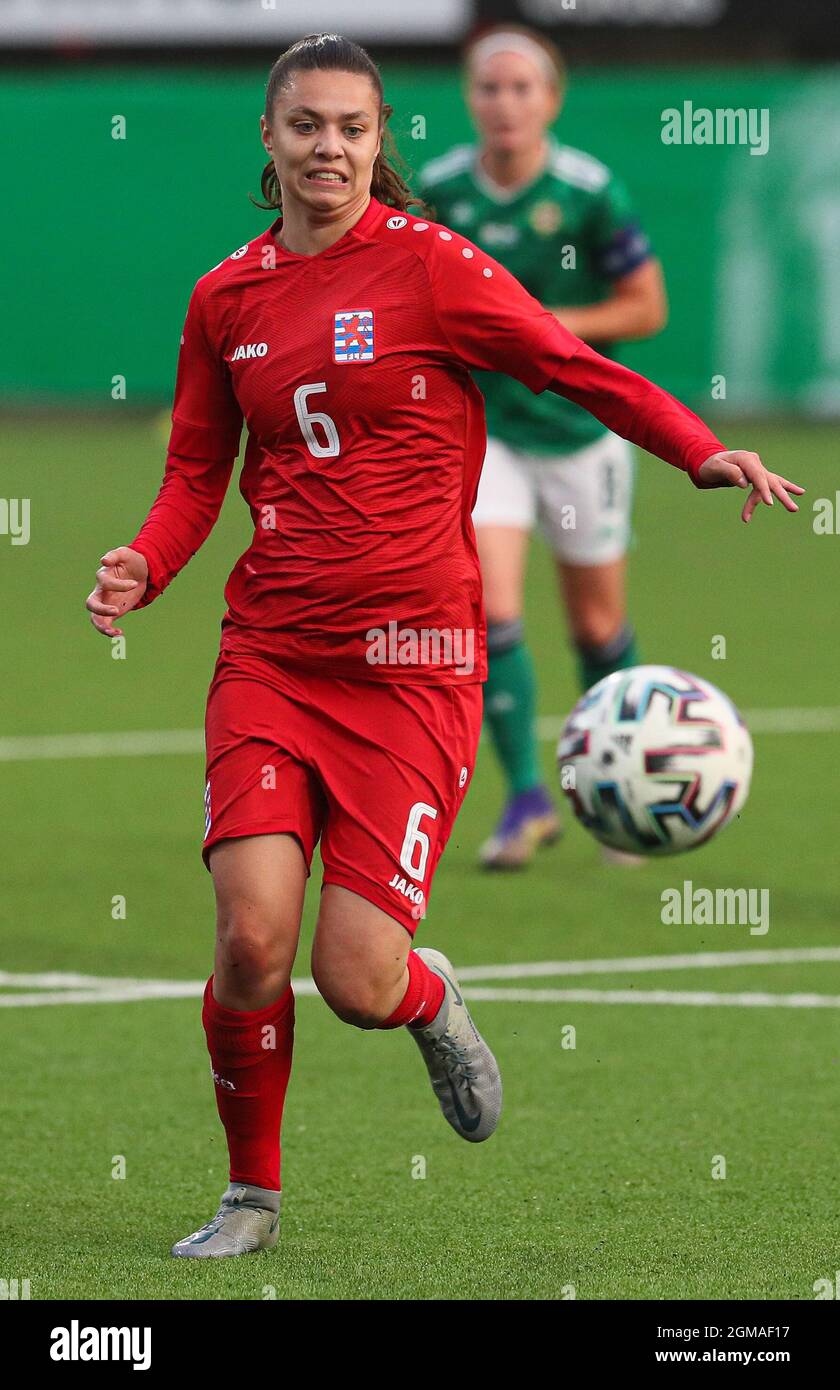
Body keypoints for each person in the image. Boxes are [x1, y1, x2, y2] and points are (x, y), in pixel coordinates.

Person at [85, 32, 803, 1260]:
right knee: (251, 935)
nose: (329, 147)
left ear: (380, 140)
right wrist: (146, 562)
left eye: (353, 128)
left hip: (414, 668)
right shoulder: (225, 298)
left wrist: (699, 447)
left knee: (357, 978)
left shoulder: (433, 268)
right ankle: (249, 1198)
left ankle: (427, 993)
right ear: (268, 137)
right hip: (271, 654)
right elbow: (198, 473)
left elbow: (570, 365)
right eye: (306, 125)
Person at [418, 25, 668, 868]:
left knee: (597, 627)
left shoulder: (590, 192)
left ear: (552, 101)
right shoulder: (443, 190)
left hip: (577, 434)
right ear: (471, 101)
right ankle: (526, 797)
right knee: (489, 612)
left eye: (524, 88)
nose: (505, 103)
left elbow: (645, 307)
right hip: (485, 435)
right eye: (490, 88)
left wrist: (549, 329)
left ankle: (620, 790)